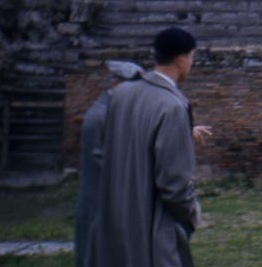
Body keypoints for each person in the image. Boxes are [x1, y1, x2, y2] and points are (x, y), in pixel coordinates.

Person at [86, 28, 205, 267]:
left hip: (113, 218)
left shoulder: (122, 95)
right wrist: (191, 211)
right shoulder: (171, 106)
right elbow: (173, 183)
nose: (191, 64)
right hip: (151, 227)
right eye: (192, 57)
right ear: (182, 59)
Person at [74, 60, 144, 266]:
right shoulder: (99, 116)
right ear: (116, 85)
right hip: (99, 205)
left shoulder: (116, 112)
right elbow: (102, 163)